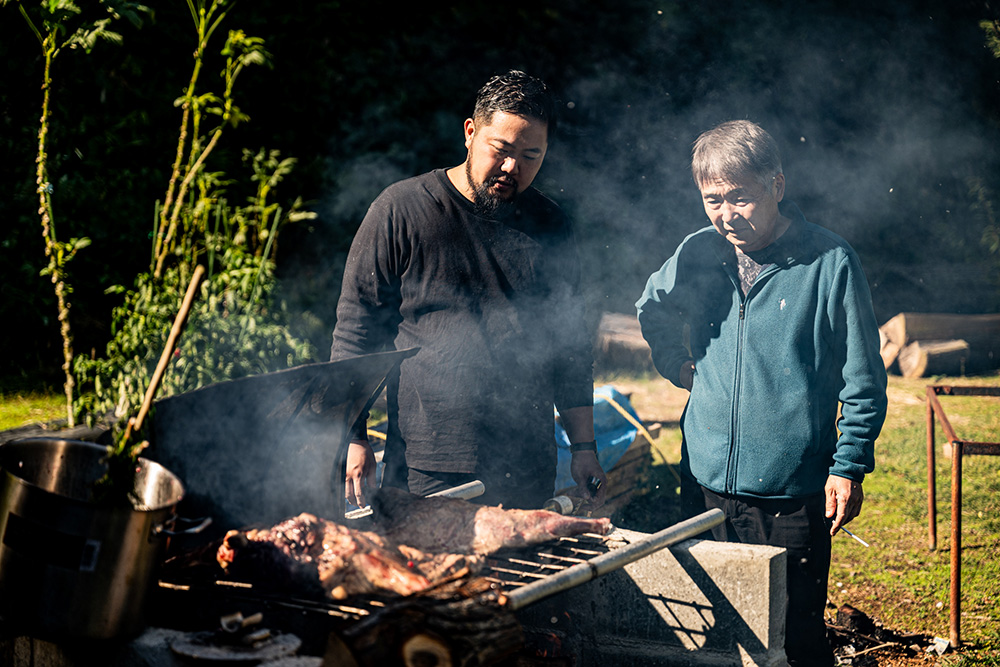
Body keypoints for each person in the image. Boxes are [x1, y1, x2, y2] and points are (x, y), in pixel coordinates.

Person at [635, 120, 887, 666]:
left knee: (791, 639)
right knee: (709, 635)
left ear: (776, 185)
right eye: (713, 200)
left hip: (791, 494)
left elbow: (864, 376)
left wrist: (848, 466)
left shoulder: (829, 262)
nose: (727, 215)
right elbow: (650, 307)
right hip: (703, 483)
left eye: (741, 197)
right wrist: (677, 365)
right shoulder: (700, 252)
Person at [330, 70, 607, 512]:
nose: (513, 167)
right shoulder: (402, 210)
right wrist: (353, 438)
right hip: (430, 463)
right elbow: (357, 331)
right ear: (470, 132)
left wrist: (584, 447)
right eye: (501, 149)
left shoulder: (552, 225)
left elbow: (570, 348)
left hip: (527, 464)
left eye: (531, 155)